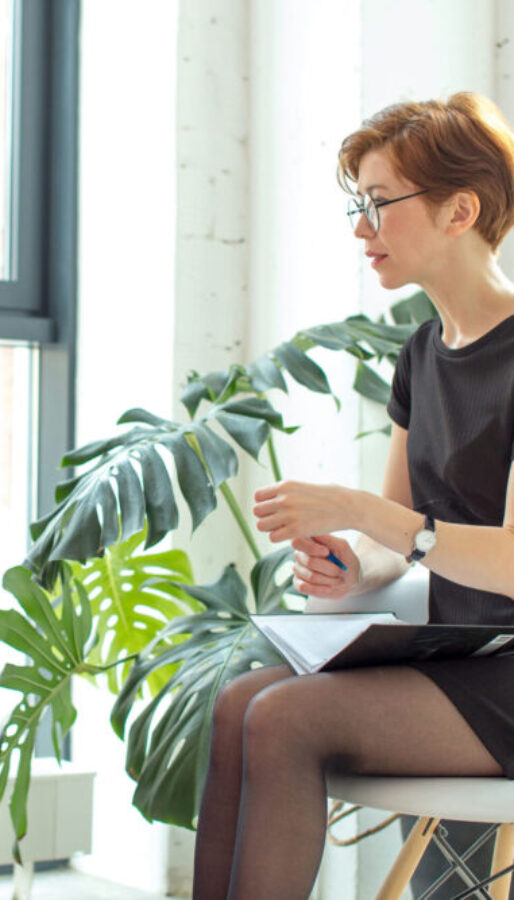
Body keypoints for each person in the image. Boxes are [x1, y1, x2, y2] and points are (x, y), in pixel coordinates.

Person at [193, 91, 514, 899]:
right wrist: (354, 563)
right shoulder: (422, 354)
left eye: (378, 204)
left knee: (284, 717)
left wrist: (368, 517)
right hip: (463, 657)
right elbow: (396, 536)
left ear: (459, 211)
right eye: (355, 208)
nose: (361, 229)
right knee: (239, 703)